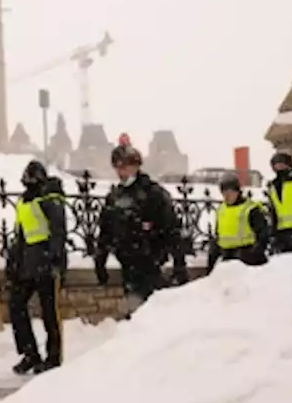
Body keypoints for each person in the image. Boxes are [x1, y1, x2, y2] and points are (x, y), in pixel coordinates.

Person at [94, 135, 190, 318]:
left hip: (151, 263)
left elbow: (172, 229)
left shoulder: (153, 194)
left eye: (125, 167)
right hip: (128, 264)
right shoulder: (115, 197)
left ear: (136, 166)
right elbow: (106, 230)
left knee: (153, 316)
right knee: (135, 316)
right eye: (118, 168)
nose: (121, 172)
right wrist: (101, 259)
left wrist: (179, 263)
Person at [6, 160, 68, 375]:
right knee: (16, 306)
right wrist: (13, 262)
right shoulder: (24, 200)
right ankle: (30, 353)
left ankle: (53, 356)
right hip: (26, 264)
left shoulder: (50, 196)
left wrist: (55, 260)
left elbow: (58, 231)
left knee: (50, 313)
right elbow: (20, 234)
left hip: (45, 263)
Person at [207, 175, 270, 273]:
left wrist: (255, 252)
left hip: (246, 256)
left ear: (237, 192)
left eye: (230, 192)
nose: (227, 196)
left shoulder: (250, 209)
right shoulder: (221, 209)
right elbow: (218, 235)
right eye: (224, 193)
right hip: (227, 256)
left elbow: (263, 234)